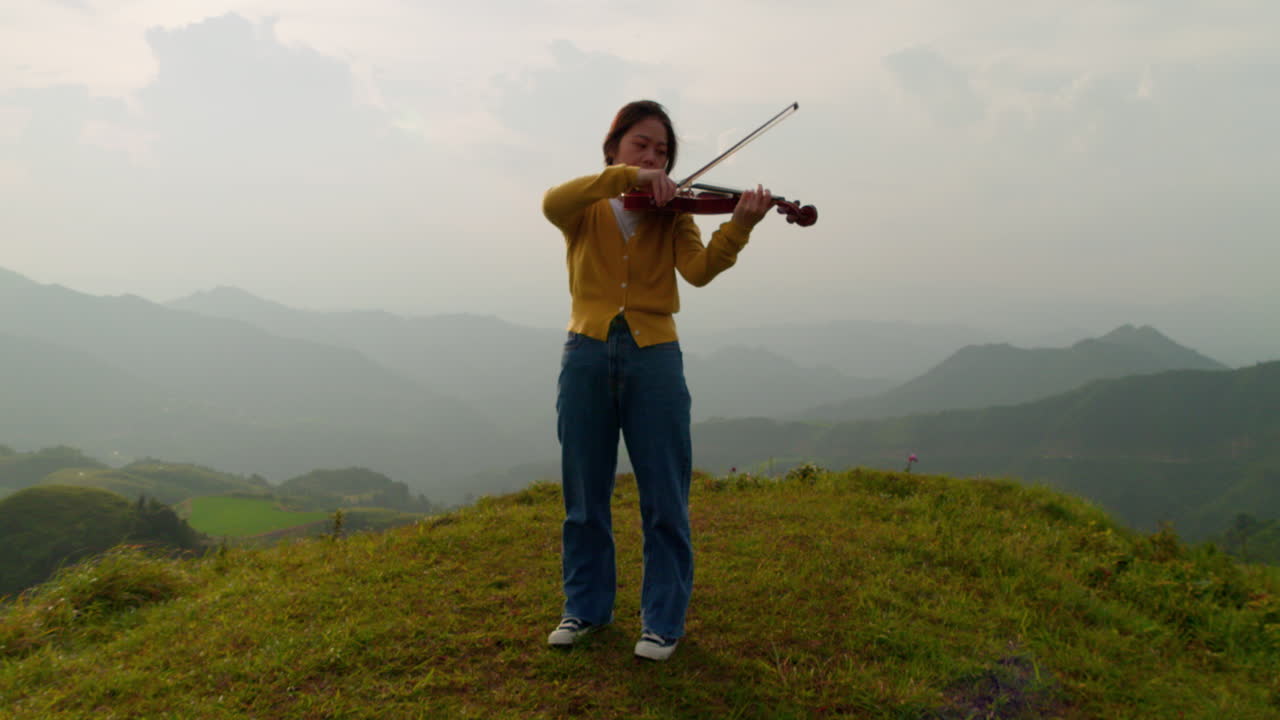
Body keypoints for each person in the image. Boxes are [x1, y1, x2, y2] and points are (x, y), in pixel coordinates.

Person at [541, 100, 773, 661]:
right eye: (642, 145)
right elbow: (552, 201)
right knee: (584, 493)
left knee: (665, 494)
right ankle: (586, 609)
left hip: (656, 357)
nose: (654, 157)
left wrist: (739, 226)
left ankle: (663, 621)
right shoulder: (586, 208)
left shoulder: (674, 213)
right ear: (614, 148)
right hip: (587, 352)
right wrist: (631, 178)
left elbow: (696, 273)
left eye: (663, 151)